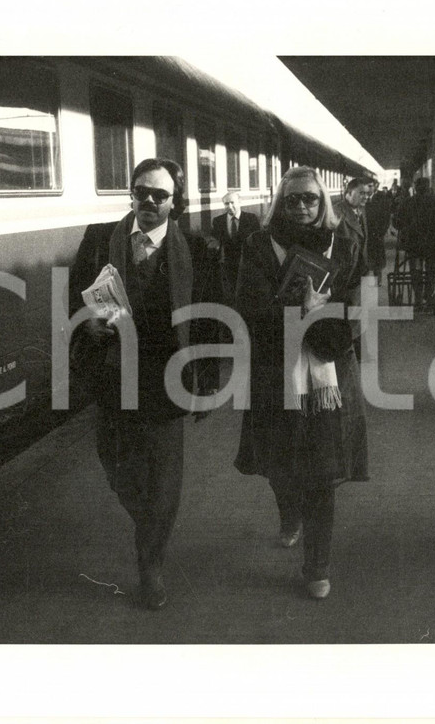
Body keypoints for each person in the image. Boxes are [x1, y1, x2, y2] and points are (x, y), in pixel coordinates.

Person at [68, 158, 215, 610]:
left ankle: (150, 567)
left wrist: (206, 384)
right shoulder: (98, 241)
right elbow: (70, 304)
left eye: (160, 195)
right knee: (115, 466)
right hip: (114, 375)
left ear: (175, 201)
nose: (149, 201)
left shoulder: (197, 248)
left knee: (164, 482)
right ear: (131, 194)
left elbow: (211, 322)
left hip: (169, 378)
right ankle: (148, 526)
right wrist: (85, 327)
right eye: (141, 192)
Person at [234, 166, 369, 600]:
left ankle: (317, 566)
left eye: (310, 198)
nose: (303, 207)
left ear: (323, 201)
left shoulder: (345, 244)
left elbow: (357, 309)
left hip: (329, 371)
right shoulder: (259, 244)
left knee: (322, 473)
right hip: (275, 370)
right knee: (279, 464)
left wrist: (317, 318)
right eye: (292, 200)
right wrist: (302, 311)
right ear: (280, 202)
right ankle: (288, 511)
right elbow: (248, 308)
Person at [392, 177, 435, 311]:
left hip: (414, 247)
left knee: (415, 270)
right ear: (428, 188)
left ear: (415, 188)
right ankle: (428, 296)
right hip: (432, 247)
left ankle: (417, 299)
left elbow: (397, 223)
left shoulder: (407, 203)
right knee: (431, 270)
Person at [211, 191, 261, 305]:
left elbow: (258, 241)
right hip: (228, 263)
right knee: (231, 292)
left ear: (239, 202)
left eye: (232, 202)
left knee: (248, 291)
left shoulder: (251, 219)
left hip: (248, 262)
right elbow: (215, 241)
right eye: (226, 204)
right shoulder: (218, 221)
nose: (229, 206)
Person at [333, 176, 371, 268]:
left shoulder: (361, 210)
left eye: (367, 194)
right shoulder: (336, 212)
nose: (366, 197)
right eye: (361, 193)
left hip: (362, 267)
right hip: (345, 273)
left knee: (371, 282)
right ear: (349, 193)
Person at [365, 182, 393, 278]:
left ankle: (377, 276)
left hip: (377, 234)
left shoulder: (382, 199)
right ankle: (370, 289)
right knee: (366, 264)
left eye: (370, 186)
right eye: (366, 186)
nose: (367, 188)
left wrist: (382, 232)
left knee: (376, 261)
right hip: (364, 235)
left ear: (375, 187)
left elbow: (386, 217)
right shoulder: (360, 198)